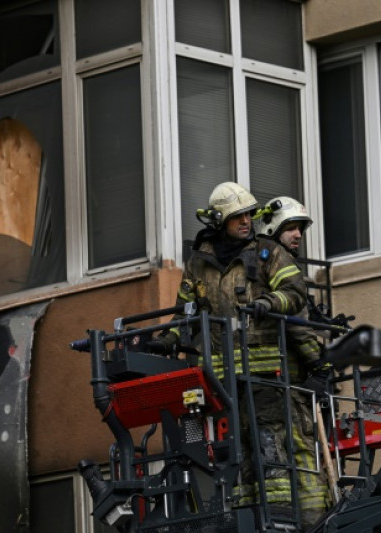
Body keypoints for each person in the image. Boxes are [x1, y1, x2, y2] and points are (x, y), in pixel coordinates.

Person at [147, 182, 315, 525]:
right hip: (223, 378)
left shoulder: (267, 252)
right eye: (238, 216)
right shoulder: (198, 263)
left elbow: (294, 292)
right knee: (237, 450)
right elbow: (186, 312)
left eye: (249, 215)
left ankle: (279, 516)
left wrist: (269, 303)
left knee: (269, 441)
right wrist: (168, 338)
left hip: (265, 370)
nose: (246, 221)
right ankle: (246, 513)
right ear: (219, 220)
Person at [254, 196, 333, 528]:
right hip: (286, 377)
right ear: (274, 228)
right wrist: (320, 365)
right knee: (302, 448)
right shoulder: (279, 260)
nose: (299, 234)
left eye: (301, 228)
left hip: (262, 377)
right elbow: (297, 325)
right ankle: (316, 519)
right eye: (291, 228)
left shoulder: (253, 261)